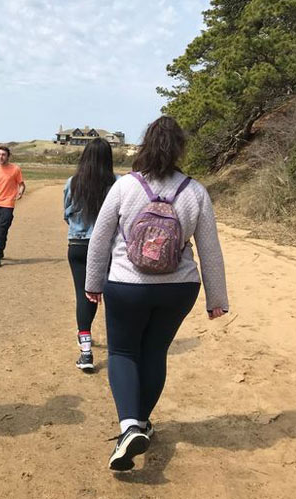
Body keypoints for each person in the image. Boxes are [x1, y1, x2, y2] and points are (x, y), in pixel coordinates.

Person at [85, 116, 229, 471]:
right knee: (154, 352)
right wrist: (216, 299)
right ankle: (143, 422)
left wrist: (92, 283)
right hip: (179, 287)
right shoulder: (195, 191)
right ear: (180, 149)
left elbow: (100, 238)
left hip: (126, 285)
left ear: (145, 146)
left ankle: (130, 425)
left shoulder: (125, 187)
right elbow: (209, 248)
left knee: (122, 351)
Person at [64, 138, 117, 372]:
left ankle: (85, 351)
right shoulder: (118, 183)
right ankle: (119, 347)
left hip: (77, 245)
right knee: (110, 295)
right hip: (106, 247)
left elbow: (67, 214)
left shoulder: (72, 182)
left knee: (83, 295)